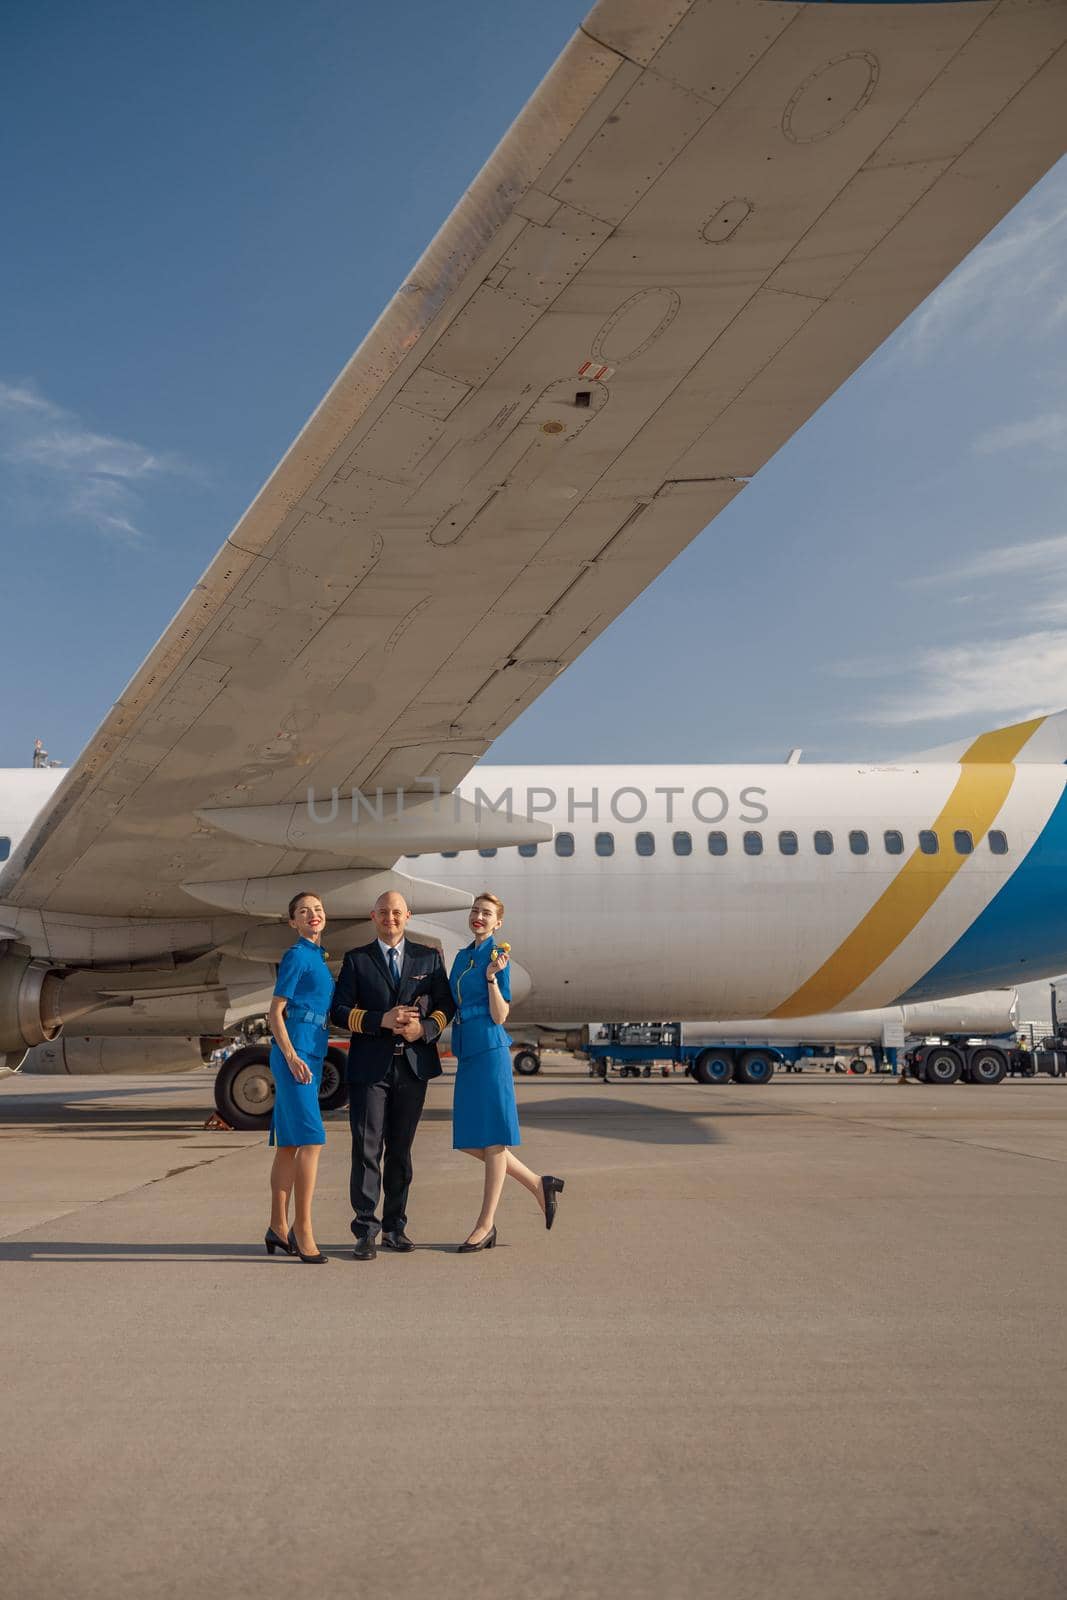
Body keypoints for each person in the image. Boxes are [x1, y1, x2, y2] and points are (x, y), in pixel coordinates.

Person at [330, 891, 454, 1261]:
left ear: (408, 916)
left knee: (400, 1152)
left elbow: (448, 1005)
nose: (390, 918)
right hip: (370, 1068)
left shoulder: (428, 958)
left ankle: (395, 1227)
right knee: (367, 1150)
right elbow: (338, 1011)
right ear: (373, 916)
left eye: (397, 912)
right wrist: (378, 1020)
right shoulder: (357, 960)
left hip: (412, 1067)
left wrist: (426, 1031)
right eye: (383, 912)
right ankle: (365, 1229)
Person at [450, 892, 564, 1252]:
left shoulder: (497, 958)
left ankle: (485, 1225)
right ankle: (537, 1182)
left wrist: (491, 979)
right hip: (467, 1049)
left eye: (486, 914)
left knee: (493, 1139)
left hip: (490, 1046)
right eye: (475, 911)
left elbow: (501, 1014)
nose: (478, 917)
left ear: (498, 923)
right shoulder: (461, 956)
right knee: (469, 1139)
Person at [265, 890, 333, 1264]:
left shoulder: (317, 958)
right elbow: (275, 1012)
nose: (313, 914)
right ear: (292, 921)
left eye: (318, 909)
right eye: (304, 911)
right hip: (297, 1055)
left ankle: (277, 1226)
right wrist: (290, 1056)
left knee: (290, 1144)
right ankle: (302, 1228)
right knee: (312, 1140)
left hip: (313, 1052)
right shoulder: (296, 956)